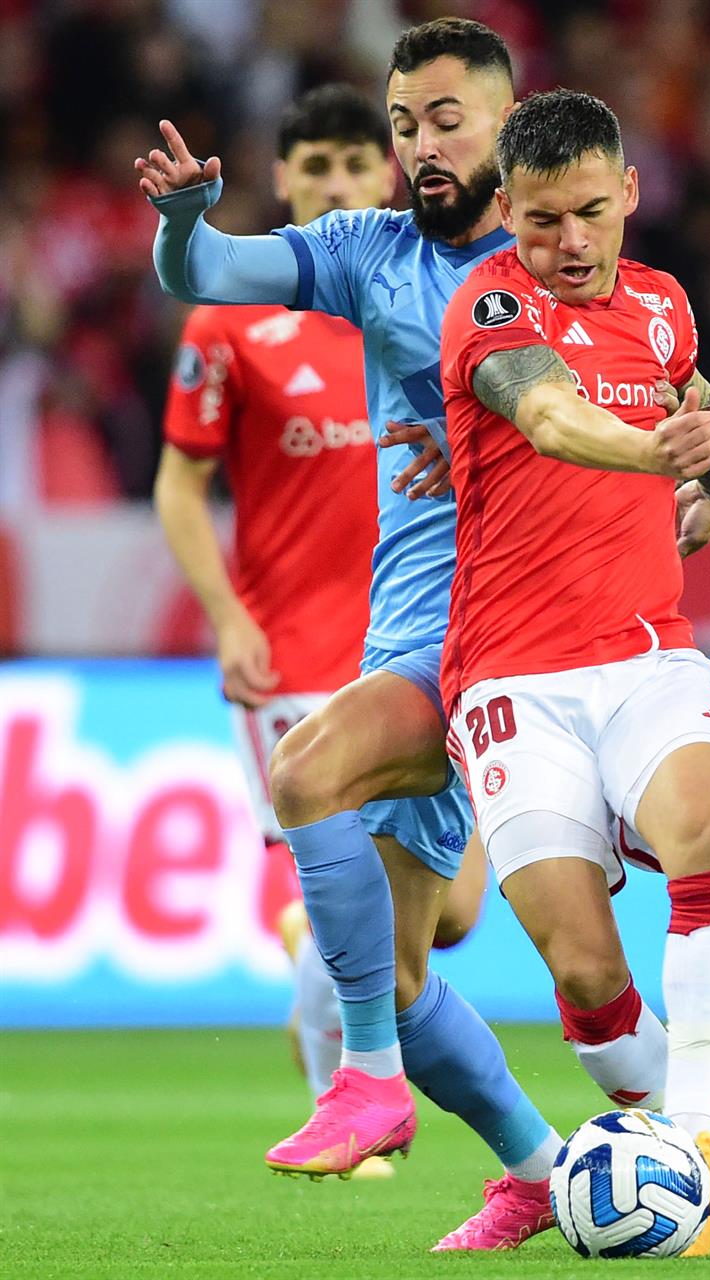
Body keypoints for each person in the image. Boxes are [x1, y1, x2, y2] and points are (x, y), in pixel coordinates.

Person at [140, 18, 564, 1250]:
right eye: (403, 124)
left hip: (495, 630)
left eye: (445, 121)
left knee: (305, 774)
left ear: (505, 125)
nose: (421, 146)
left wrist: (706, 478)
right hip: (401, 629)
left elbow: (664, 381)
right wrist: (182, 220)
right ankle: (543, 1169)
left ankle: (371, 1083)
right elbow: (207, 276)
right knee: (408, 957)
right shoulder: (363, 253)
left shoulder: (555, 259)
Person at [436, 88, 710, 1247]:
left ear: (630, 193)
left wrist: (709, 486)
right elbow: (548, 417)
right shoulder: (490, 304)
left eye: (591, 213)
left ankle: (692, 1140)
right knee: (584, 966)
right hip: (512, 680)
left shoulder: (665, 306)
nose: (571, 244)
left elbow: (698, 424)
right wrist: (656, 449)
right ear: (508, 210)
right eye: (542, 220)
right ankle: (651, 1131)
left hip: (646, 653)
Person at [152, 83, 488, 1132]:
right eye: (318, 167)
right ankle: (347, 1096)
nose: (340, 180)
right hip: (292, 652)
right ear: (287, 182)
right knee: (353, 899)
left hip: (419, 646)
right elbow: (177, 483)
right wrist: (225, 613)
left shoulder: (406, 303)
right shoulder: (233, 324)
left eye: (357, 163)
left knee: (453, 915)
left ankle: (349, 1017)